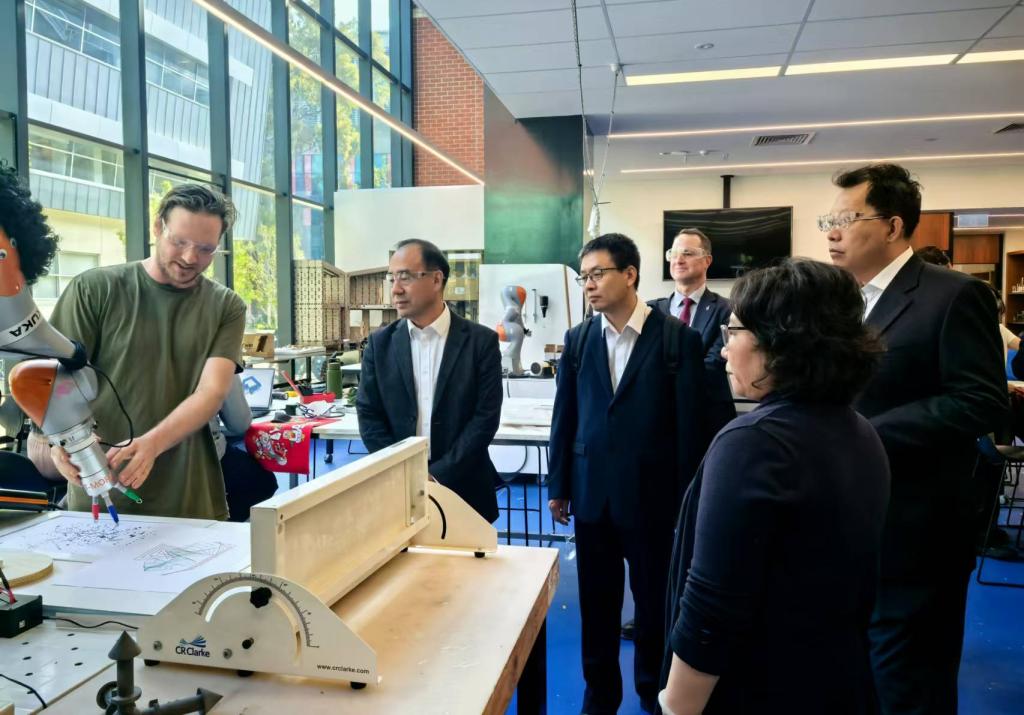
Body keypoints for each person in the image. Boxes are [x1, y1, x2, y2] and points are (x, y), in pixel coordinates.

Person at [658, 258, 890, 715]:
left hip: (757, 685)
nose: (725, 350)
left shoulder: (753, 442)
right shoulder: (859, 430)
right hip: (832, 678)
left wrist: (676, 705)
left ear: (779, 342)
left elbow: (711, 608)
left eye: (734, 332)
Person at [825, 163, 1007, 714]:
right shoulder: (842, 301)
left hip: (918, 525)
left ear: (893, 225)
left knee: (910, 683)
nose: (832, 232)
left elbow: (980, 400)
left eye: (846, 219)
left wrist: (866, 435)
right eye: (828, 221)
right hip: (851, 519)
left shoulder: (952, 296)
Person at [548, 233, 708, 714]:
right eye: (584, 277)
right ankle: (599, 695)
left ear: (630, 274)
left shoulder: (677, 340)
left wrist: (688, 502)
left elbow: (690, 430)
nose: (589, 285)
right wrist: (559, 486)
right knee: (596, 605)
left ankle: (651, 691)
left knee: (655, 604)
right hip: (592, 496)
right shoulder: (579, 340)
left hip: (653, 500)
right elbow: (565, 417)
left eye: (598, 274)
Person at [28, 184, 247, 520]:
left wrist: (152, 444)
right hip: (99, 489)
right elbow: (51, 378)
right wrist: (58, 441)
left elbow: (212, 392)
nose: (190, 258)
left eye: (205, 249)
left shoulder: (226, 306)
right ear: (157, 227)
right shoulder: (94, 290)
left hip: (190, 496)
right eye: (179, 241)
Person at [356, 239, 502, 523]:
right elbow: (369, 413)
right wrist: (403, 471)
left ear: (436, 280)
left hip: (466, 489)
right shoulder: (380, 344)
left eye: (405, 277)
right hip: (398, 489)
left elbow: (485, 418)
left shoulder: (480, 342)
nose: (396, 289)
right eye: (392, 278)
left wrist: (437, 476)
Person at [649, 228, 735, 435]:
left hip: (707, 418)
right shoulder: (651, 311)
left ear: (707, 260)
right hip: (658, 419)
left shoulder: (727, 309)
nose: (678, 260)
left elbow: (714, 364)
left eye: (687, 253)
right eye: (673, 253)